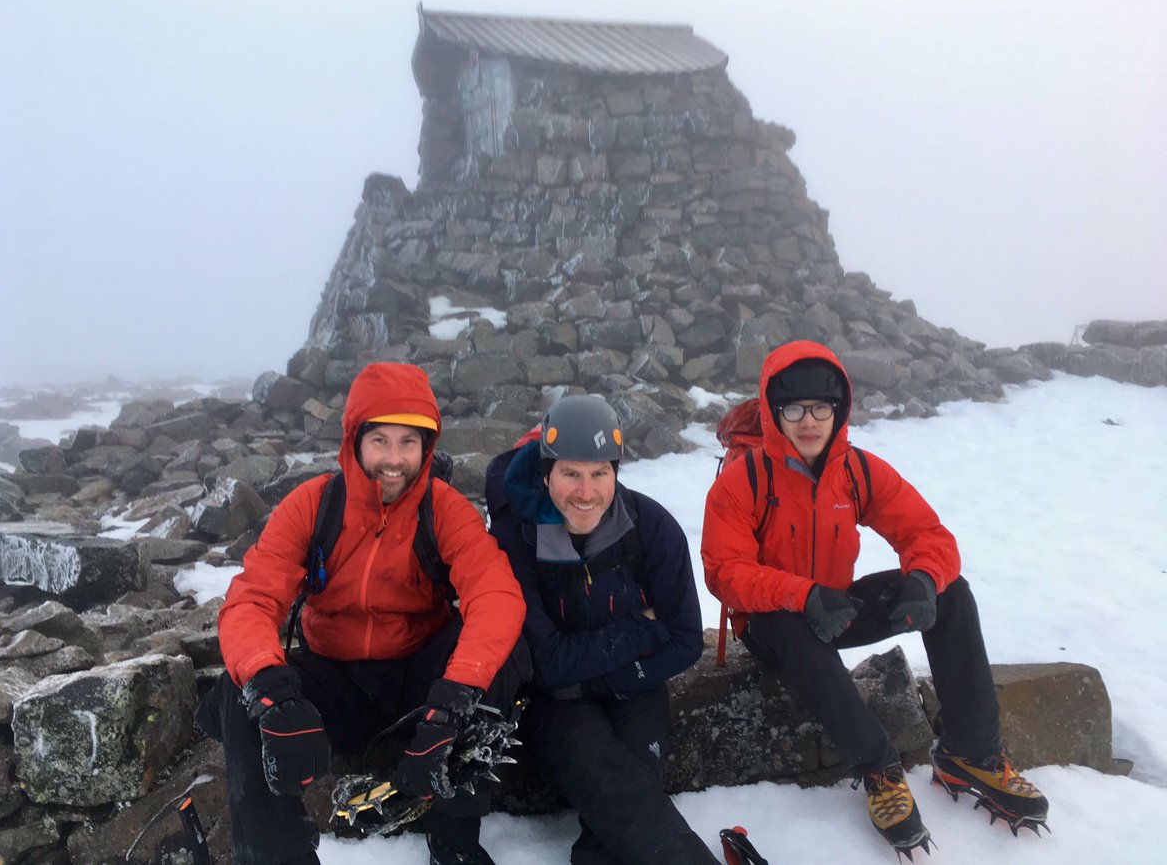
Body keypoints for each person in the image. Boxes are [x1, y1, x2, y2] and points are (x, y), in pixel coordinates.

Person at [701, 340, 1049, 857]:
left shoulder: (857, 470)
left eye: (823, 407)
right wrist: (801, 594)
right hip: (773, 623)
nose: (809, 421)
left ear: (840, 409)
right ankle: (879, 770)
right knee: (792, 624)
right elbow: (724, 572)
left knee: (953, 591)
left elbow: (928, 534)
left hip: (837, 608)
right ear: (775, 412)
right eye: (793, 408)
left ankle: (970, 752)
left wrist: (924, 581)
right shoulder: (743, 480)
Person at [195, 362, 529, 865]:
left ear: (426, 448)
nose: (394, 460)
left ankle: (453, 841)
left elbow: (496, 596)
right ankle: (273, 855)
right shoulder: (314, 505)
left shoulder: (444, 510)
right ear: (354, 441)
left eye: (408, 443)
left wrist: (455, 695)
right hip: (337, 681)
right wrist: (274, 692)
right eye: (380, 441)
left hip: (420, 685)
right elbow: (251, 600)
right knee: (239, 690)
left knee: (501, 655)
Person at [485, 395, 719, 865]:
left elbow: (688, 639)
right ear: (546, 472)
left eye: (600, 473)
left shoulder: (650, 526)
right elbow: (546, 663)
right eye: (571, 473)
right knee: (613, 784)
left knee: (628, 794)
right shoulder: (514, 541)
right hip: (556, 706)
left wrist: (599, 677)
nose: (586, 492)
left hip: (635, 687)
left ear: (616, 472)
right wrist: (643, 629)